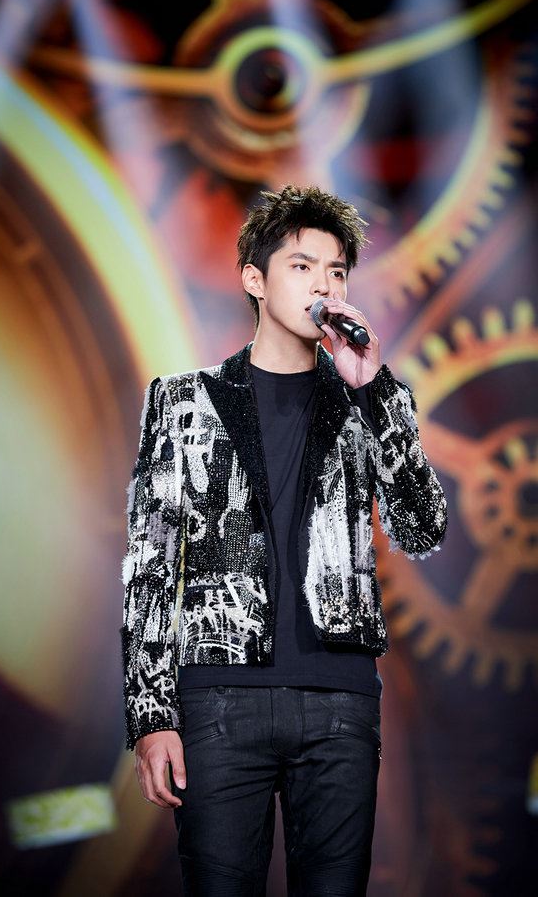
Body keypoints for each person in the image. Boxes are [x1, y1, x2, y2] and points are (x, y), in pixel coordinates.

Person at [120, 184, 448, 895]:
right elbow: (150, 566)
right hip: (219, 699)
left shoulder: (370, 399)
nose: (324, 286)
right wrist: (150, 717)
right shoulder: (183, 401)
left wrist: (372, 390)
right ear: (255, 280)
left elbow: (423, 528)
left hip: (339, 701)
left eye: (337, 271)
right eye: (302, 267)